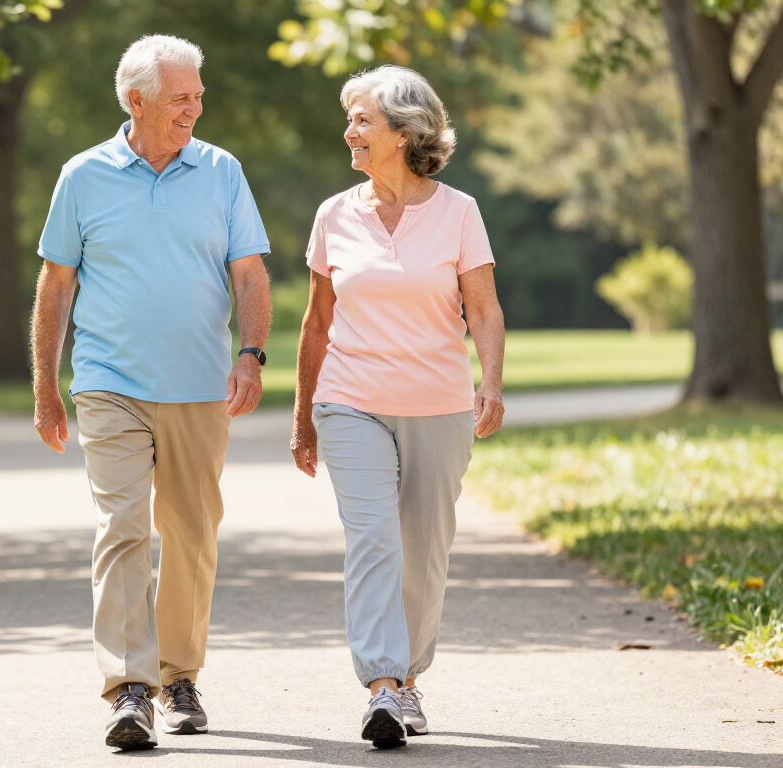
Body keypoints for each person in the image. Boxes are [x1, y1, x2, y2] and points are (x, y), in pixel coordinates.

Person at [30, 34, 272, 752]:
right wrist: (46, 388)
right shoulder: (83, 176)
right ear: (136, 101)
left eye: (198, 95)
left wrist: (251, 356)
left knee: (192, 534)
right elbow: (56, 285)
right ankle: (129, 689)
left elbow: (250, 275)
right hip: (110, 384)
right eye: (180, 98)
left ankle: (179, 675)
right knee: (123, 527)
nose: (194, 108)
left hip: (200, 384)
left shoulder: (222, 171)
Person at [290, 65, 506, 749]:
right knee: (374, 538)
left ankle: (409, 678)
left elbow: (483, 309)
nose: (349, 131)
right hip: (350, 400)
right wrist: (303, 418)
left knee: (424, 551)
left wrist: (491, 384)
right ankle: (382, 684)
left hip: (438, 403)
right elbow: (317, 323)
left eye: (362, 120)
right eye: (349, 119)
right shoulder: (334, 214)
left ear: (404, 132)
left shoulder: (458, 212)